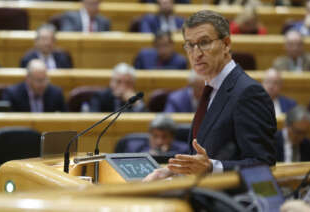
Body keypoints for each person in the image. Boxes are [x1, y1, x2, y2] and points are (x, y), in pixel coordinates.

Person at [144, 10, 276, 181]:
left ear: (226, 44)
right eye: (190, 45)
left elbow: (263, 163)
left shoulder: (248, 93)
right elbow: (206, 155)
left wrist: (212, 167)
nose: (196, 53)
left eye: (204, 43)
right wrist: (175, 171)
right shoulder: (211, 89)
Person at [2, 59, 67, 112]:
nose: (43, 84)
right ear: (28, 79)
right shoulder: (12, 94)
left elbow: (66, 119)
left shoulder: (56, 93)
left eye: (45, 80)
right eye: (39, 81)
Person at [117, 114, 189, 155]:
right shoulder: (135, 148)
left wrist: (165, 155)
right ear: (149, 135)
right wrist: (148, 155)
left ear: (172, 137)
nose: (159, 142)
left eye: (164, 137)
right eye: (155, 136)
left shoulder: (184, 150)